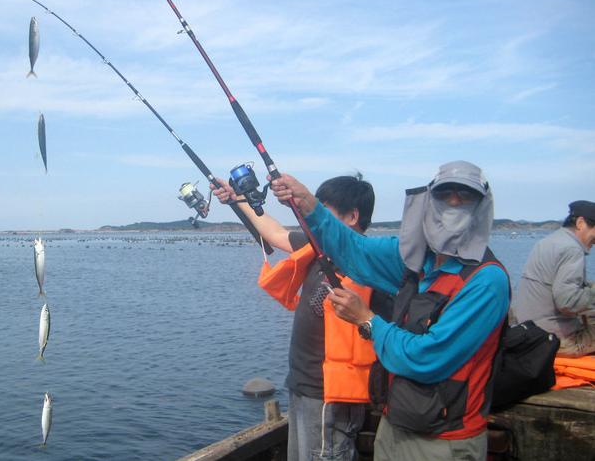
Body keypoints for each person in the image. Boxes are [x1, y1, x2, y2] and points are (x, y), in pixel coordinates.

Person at [270, 160, 510, 461]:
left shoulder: (486, 280)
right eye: (445, 193)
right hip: (395, 427)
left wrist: (366, 319)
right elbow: (355, 251)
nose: (453, 202)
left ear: (481, 206)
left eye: (465, 196)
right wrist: (309, 205)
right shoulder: (414, 260)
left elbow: (427, 357)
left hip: (446, 442)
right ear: (429, 200)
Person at [213, 173, 388, 461]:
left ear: (352, 216)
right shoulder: (318, 244)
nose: (311, 215)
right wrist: (237, 198)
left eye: (322, 209)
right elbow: (274, 233)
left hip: (331, 395)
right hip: (303, 386)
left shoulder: (371, 263)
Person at [512, 200, 595, 357]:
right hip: (555, 341)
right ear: (580, 222)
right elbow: (567, 302)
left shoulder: (547, 242)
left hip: (528, 333)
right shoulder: (572, 249)